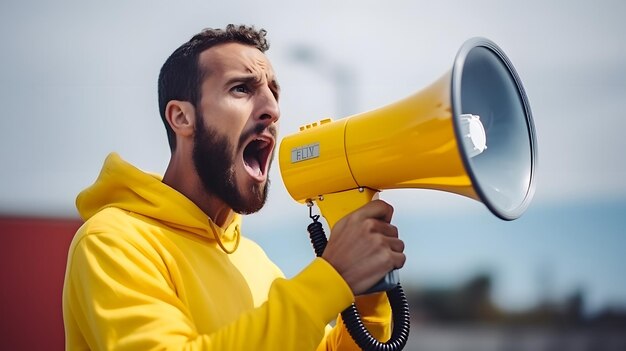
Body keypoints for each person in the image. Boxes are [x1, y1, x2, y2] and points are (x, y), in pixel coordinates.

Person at [62, 24, 406, 351]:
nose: (271, 109)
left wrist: (368, 291)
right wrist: (331, 277)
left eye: (273, 91)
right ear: (182, 117)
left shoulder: (255, 261)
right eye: (241, 88)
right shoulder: (114, 241)